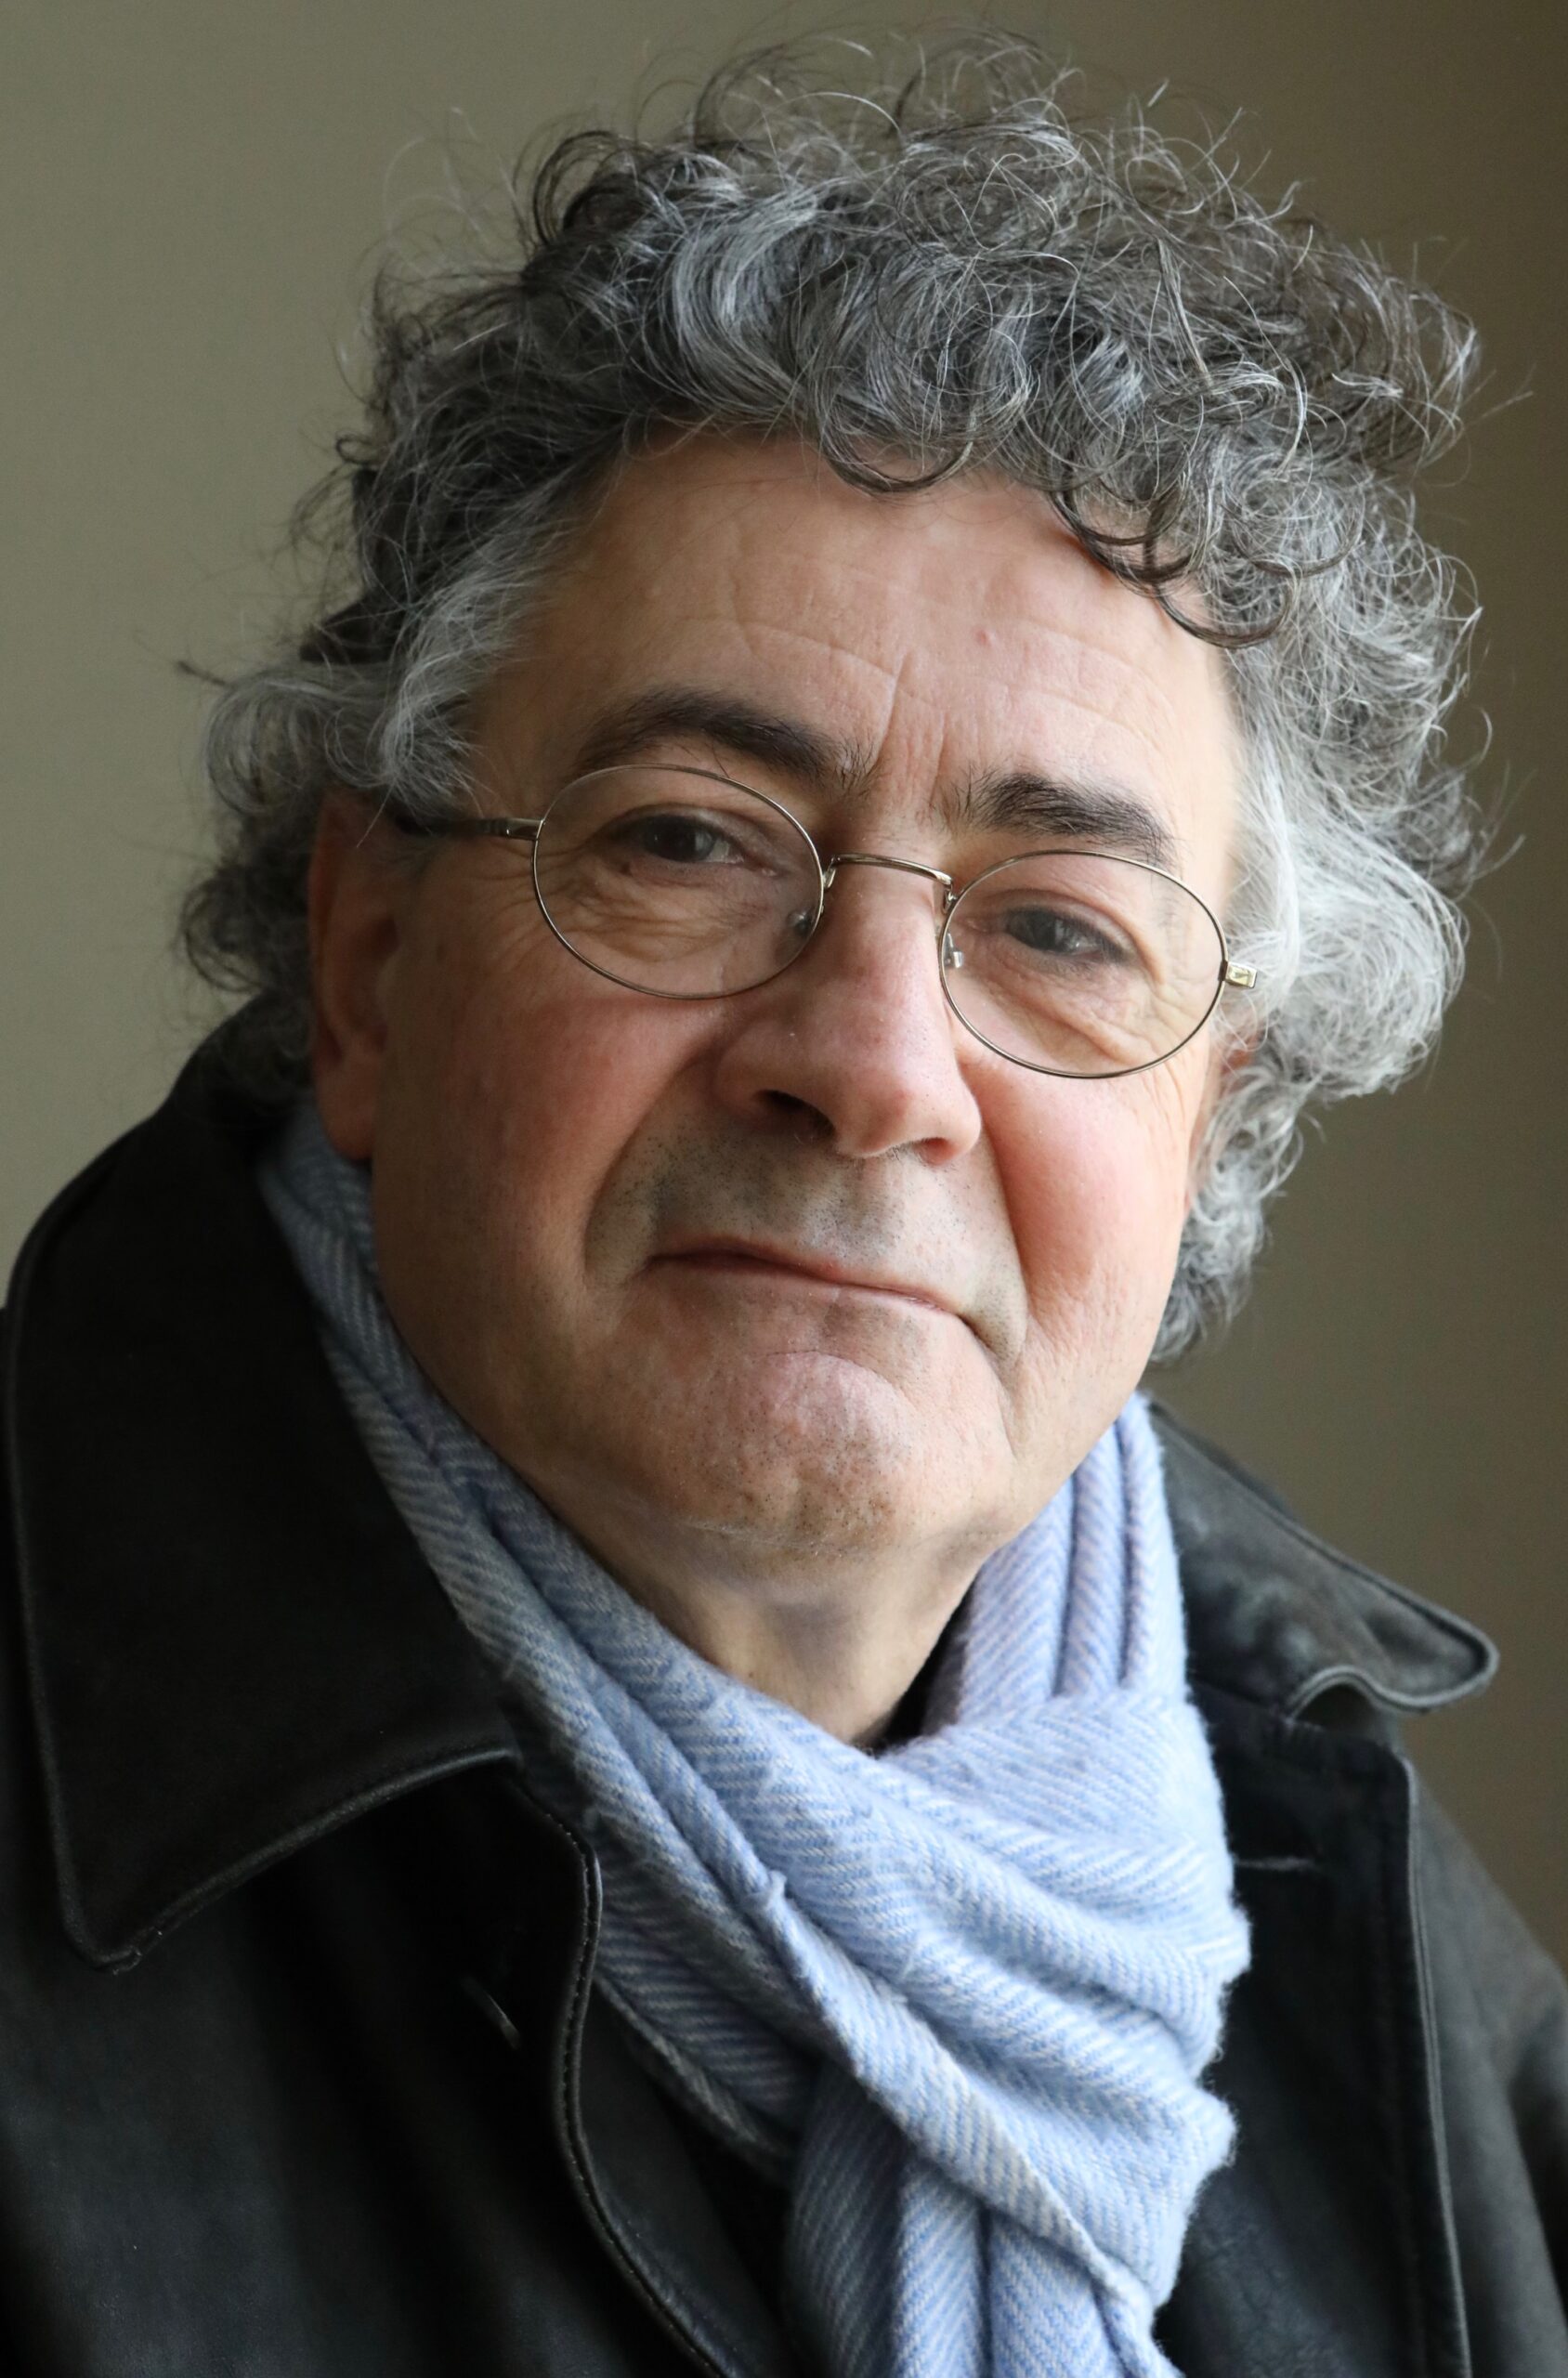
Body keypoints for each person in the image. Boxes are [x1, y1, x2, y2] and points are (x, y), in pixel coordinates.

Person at [1, 37, 1562, 2378]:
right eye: (689, 841)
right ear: (370, 959)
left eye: (1059, 930)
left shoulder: (1372, 1909)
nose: (871, 1062)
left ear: (1209, 1121)